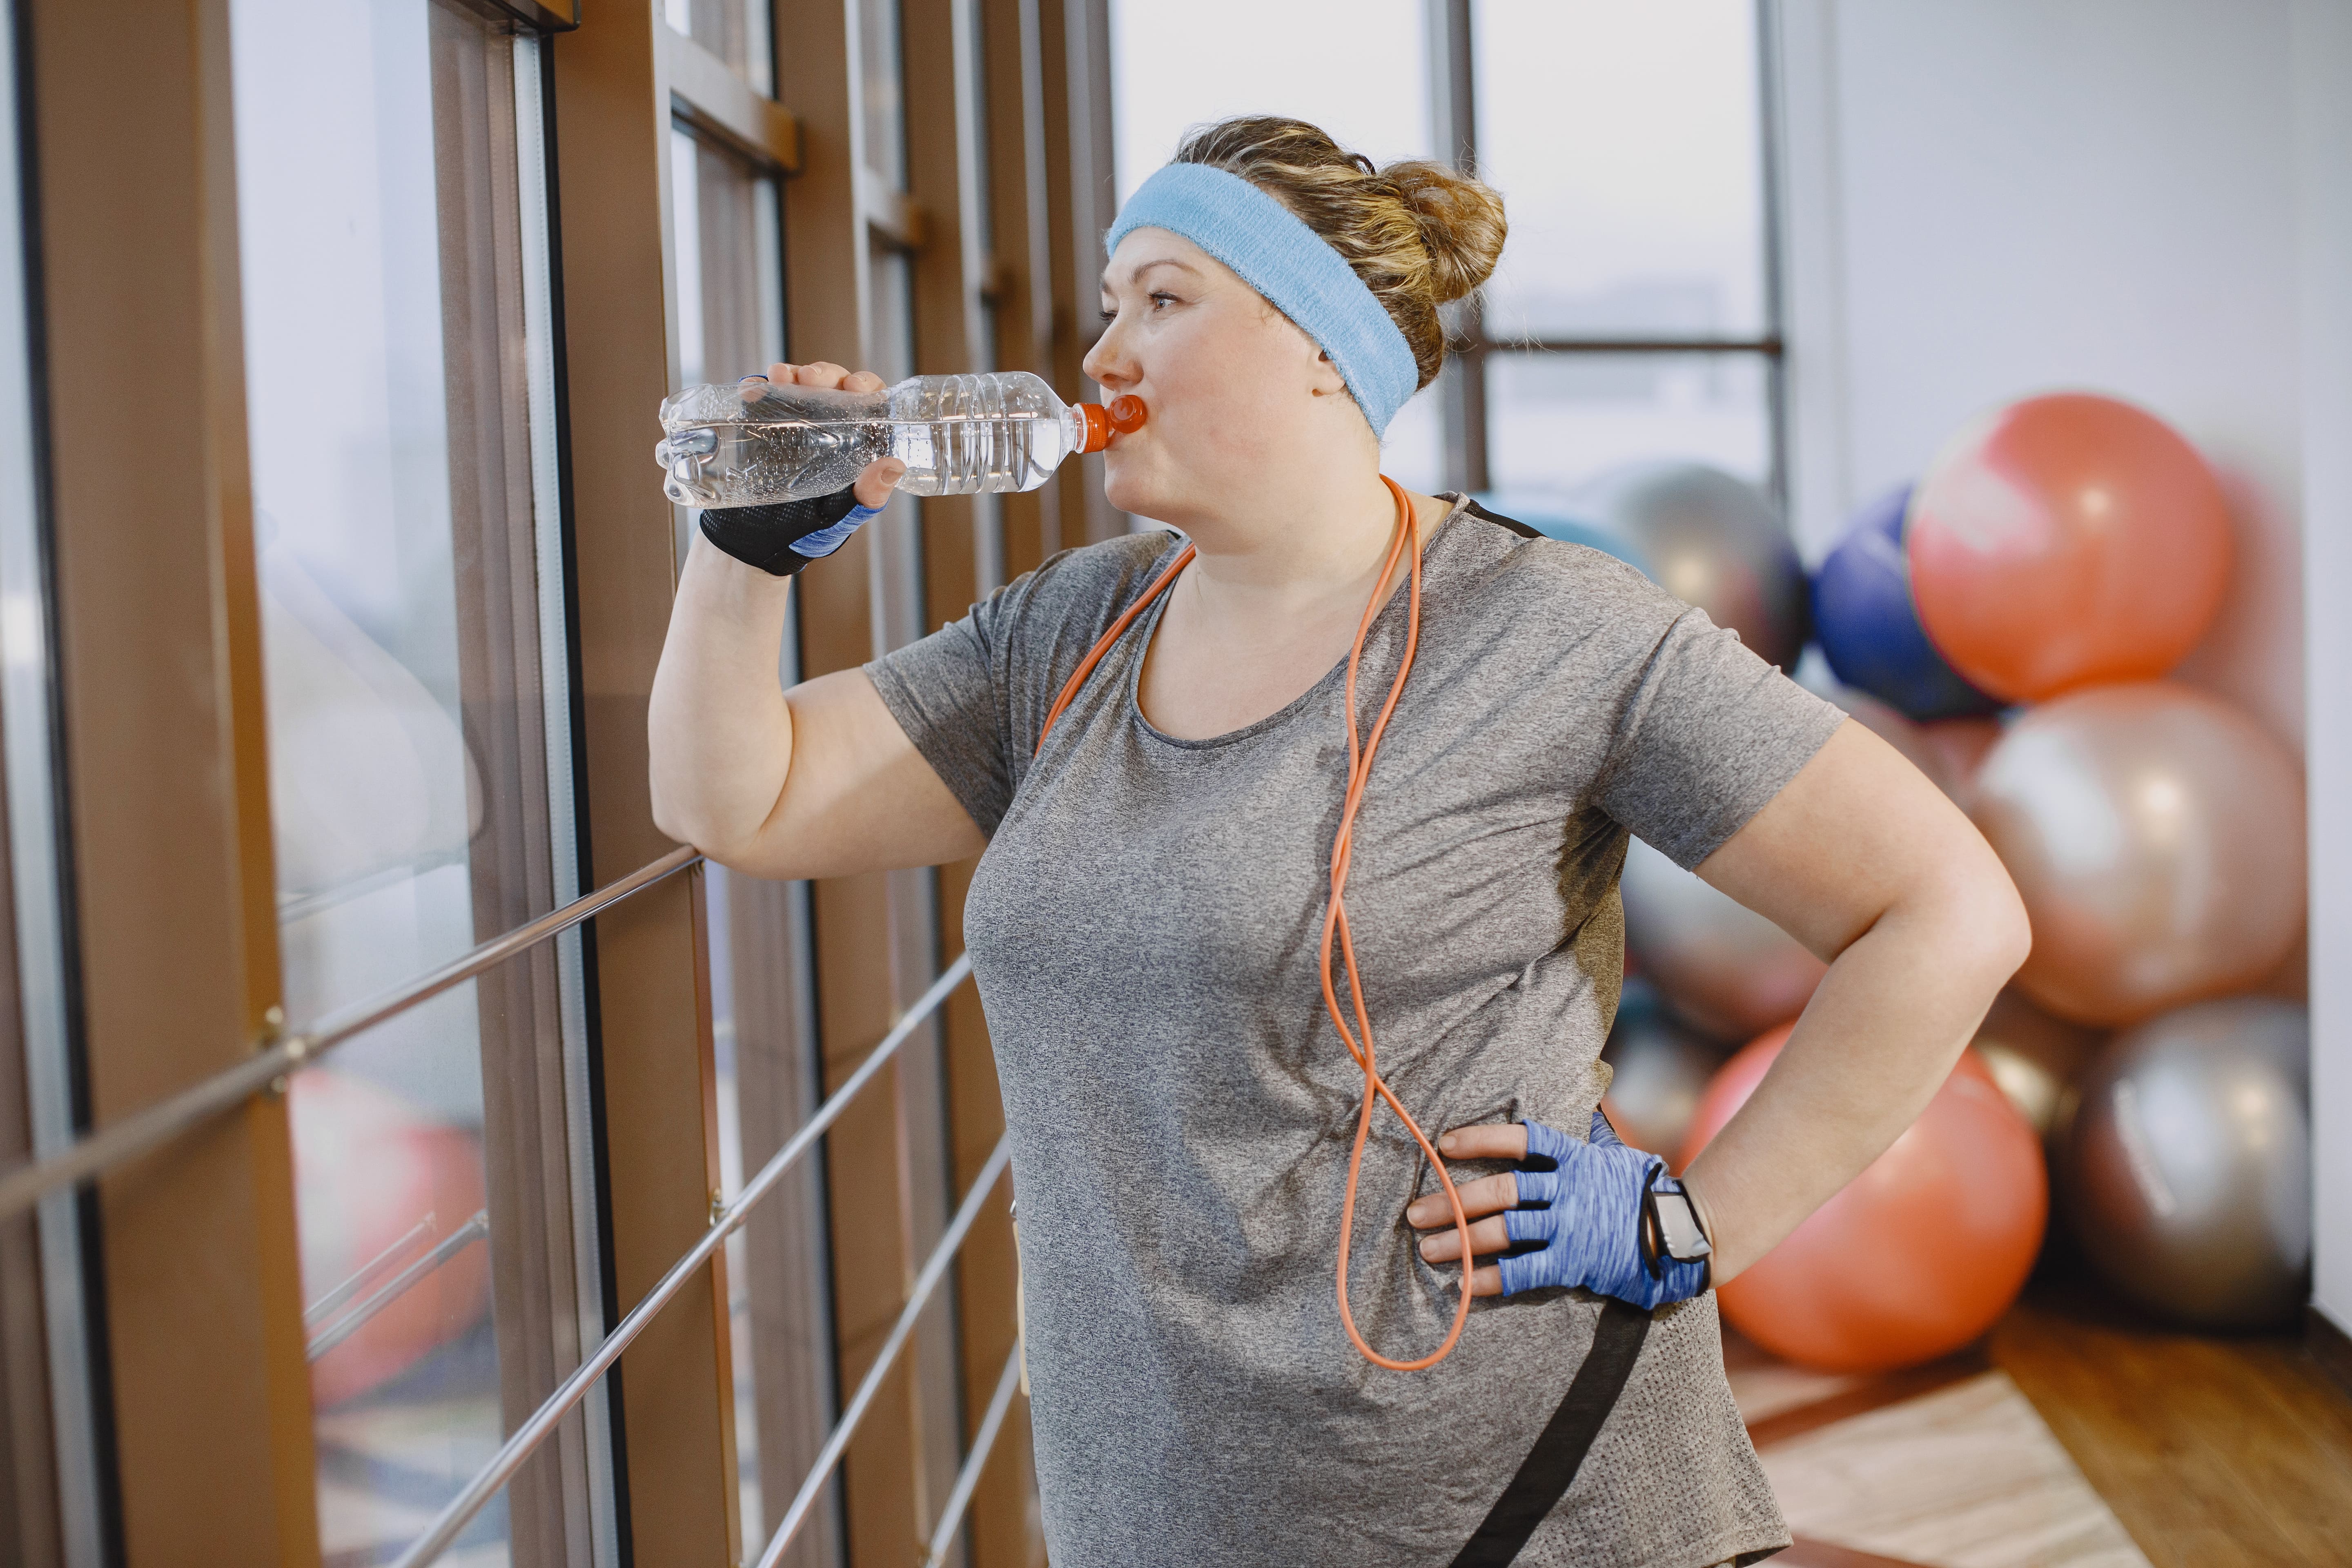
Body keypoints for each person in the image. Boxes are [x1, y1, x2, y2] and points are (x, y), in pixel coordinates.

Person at [649, 116, 2029, 1568]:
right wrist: (745, 555)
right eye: (1112, 306)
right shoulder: (1069, 631)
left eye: (1163, 300)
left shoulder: (1554, 630)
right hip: (1162, 1512)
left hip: (1526, 1503)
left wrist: (1698, 1227)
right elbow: (740, 799)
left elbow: (1950, 910)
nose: (1104, 355)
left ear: (1321, 344)